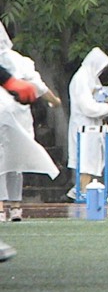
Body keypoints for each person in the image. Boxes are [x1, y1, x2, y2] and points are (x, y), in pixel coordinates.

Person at [0, 24, 61, 221]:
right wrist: (55, 101)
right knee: (16, 161)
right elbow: (38, 86)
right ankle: (15, 207)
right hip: (19, 116)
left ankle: (1, 208)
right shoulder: (20, 61)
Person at [65, 47, 108, 200]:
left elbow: (97, 97)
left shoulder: (91, 78)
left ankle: (81, 191)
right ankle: (80, 192)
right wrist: (107, 107)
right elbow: (87, 107)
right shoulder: (81, 78)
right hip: (84, 127)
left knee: (92, 162)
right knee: (86, 163)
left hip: (93, 127)